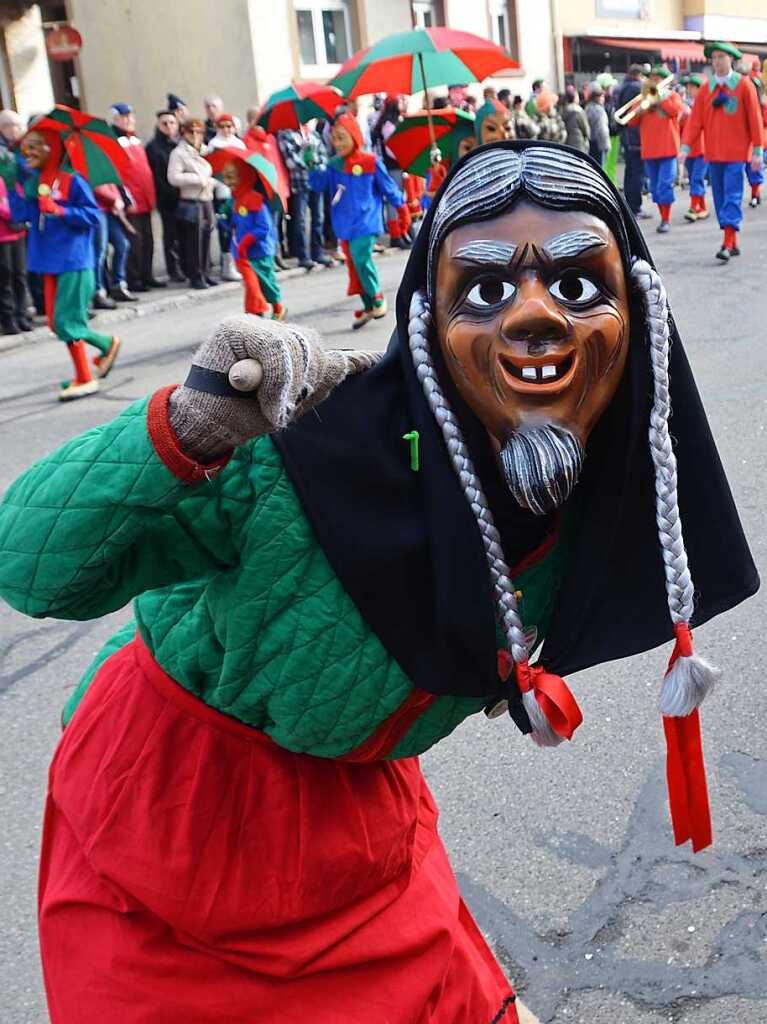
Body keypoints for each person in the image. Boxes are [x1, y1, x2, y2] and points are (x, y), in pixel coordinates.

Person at [1, 139, 757, 1024]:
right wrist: (188, 425)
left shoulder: (603, 474)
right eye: (483, 290)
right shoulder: (303, 450)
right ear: (427, 319)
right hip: (173, 821)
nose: (534, 318)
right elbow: (31, 566)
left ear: (638, 313)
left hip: (359, 822)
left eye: (579, 286)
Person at [8, 125, 120, 399]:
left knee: (67, 320)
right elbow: (20, 215)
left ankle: (85, 376)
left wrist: (61, 210)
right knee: (56, 323)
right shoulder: (35, 180)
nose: (27, 151)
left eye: (34, 146)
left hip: (72, 259)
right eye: (26, 146)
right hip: (47, 259)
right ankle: (104, 346)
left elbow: (93, 216)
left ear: (52, 148)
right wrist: (12, 185)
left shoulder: (73, 180)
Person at [309, 112, 403, 328]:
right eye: (334, 138)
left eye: (342, 137)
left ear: (354, 136)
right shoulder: (333, 165)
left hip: (367, 221)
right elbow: (317, 186)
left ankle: (377, 296)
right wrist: (313, 167)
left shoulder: (371, 161)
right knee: (353, 265)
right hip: (344, 224)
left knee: (361, 258)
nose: (337, 143)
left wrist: (402, 206)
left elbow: (388, 187)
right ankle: (368, 304)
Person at [680, 41, 764, 260]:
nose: (716, 62)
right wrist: (685, 147)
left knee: (732, 196)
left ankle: (727, 243)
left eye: (720, 57)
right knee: (718, 199)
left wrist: (757, 150)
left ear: (731, 59)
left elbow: (755, 119)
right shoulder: (706, 89)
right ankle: (732, 240)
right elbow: (695, 122)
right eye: (714, 58)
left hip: (737, 155)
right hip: (714, 154)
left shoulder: (744, 85)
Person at [214, 149, 284, 319]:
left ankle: (277, 307)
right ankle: (255, 314)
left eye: (232, 177)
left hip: (259, 251)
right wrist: (223, 217)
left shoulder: (256, 200)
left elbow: (264, 227)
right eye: (226, 177)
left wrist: (247, 240)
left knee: (266, 283)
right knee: (252, 285)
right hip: (242, 253)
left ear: (243, 176)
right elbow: (233, 225)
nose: (228, 182)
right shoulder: (234, 200)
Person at [110, 103, 165, 290]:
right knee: (135, 241)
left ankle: (146, 275)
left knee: (148, 240)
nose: (129, 120)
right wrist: (127, 200)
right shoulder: (114, 142)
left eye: (130, 116)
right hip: (131, 200)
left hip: (145, 199)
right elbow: (117, 175)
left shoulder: (135, 140)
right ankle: (133, 279)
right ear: (116, 119)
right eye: (124, 117)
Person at [625, 66, 683, 233]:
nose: (654, 81)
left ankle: (666, 219)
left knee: (665, 185)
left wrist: (661, 99)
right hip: (649, 150)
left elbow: (676, 111)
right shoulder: (643, 98)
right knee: (655, 189)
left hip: (668, 149)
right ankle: (663, 217)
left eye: (658, 79)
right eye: (653, 78)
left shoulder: (672, 96)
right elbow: (631, 122)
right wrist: (641, 110)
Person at [167, 117, 216, 288]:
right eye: (191, 132)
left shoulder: (205, 151)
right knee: (194, 241)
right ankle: (196, 275)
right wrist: (198, 179)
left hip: (206, 198)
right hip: (191, 200)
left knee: (207, 235)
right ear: (184, 133)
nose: (195, 135)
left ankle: (206, 272)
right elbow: (173, 178)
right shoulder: (178, 153)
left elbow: (212, 172)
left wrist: (211, 181)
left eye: (199, 132)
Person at [278, 123, 333, 269]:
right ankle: (303, 255)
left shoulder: (313, 134)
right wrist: (307, 164)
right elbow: (290, 160)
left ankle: (318, 251)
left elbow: (323, 153)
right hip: (300, 182)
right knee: (300, 220)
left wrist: (318, 164)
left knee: (318, 217)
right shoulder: (286, 135)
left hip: (316, 180)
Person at [243, 110, 290, 269]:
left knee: (276, 223)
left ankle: (277, 255)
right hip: (261, 188)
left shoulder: (271, 138)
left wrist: (283, 185)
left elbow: (278, 163)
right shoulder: (247, 140)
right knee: (266, 224)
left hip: (276, 186)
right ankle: (269, 256)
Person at [145, 109, 184, 282]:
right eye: (165, 123)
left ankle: (186, 266)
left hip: (184, 198)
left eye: (172, 123)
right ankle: (173, 269)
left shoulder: (181, 144)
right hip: (167, 199)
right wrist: (172, 192)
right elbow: (156, 176)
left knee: (185, 234)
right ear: (158, 126)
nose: (169, 126)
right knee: (171, 235)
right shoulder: (153, 147)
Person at [371, 95, 412, 249]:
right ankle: (396, 234)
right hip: (392, 165)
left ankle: (403, 231)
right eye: (400, 101)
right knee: (394, 200)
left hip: (396, 165)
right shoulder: (388, 124)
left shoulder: (393, 122)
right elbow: (392, 148)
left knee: (400, 198)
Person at [92, 183, 133, 307]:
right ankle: (98, 291)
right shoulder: (88, 165)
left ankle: (118, 284)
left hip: (109, 209)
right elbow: (94, 186)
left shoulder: (103, 165)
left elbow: (111, 184)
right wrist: (114, 199)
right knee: (100, 251)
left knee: (123, 244)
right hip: (98, 209)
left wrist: (117, 200)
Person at [0, 173, 31, 332]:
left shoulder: (12, 180)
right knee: (6, 277)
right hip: (2, 236)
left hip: (18, 234)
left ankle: (21, 315)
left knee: (20, 275)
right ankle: (8, 318)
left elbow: (22, 198)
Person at [615, 64, 646, 217]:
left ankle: (629, 206)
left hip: (626, 136)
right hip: (635, 136)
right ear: (638, 74)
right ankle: (636, 207)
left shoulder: (621, 87)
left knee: (629, 172)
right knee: (636, 174)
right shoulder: (636, 88)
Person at [679, 74, 709, 222]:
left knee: (697, 178)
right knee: (693, 178)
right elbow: (681, 128)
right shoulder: (684, 105)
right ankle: (702, 208)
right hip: (688, 149)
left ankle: (692, 207)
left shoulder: (706, 104)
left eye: (692, 87)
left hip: (703, 148)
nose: (689, 90)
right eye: (688, 87)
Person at [744, 77, 767, 207]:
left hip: (759, 141)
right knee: (748, 169)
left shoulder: (763, 105)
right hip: (745, 142)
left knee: (755, 169)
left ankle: (755, 194)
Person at [585, 83, 610, 165]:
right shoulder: (599, 110)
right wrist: (606, 146)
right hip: (599, 144)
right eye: (602, 96)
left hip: (591, 142)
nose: (603, 99)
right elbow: (602, 129)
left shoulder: (588, 108)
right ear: (597, 98)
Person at [561, 84, 590, 153]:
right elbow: (585, 128)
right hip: (578, 142)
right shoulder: (578, 110)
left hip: (567, 142)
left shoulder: (563, 109)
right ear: (574, 97)